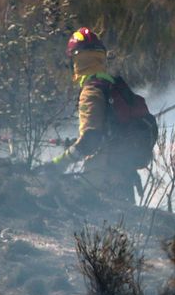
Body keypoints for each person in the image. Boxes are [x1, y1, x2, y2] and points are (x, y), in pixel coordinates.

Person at [45, 27, 152, 202]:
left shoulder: (91, 91)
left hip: (101, 181)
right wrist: (74, 144)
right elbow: (109, 130)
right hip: (123, 180)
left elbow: (92, 138)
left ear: (76, 61)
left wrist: (59, 164)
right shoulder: (114, 86)